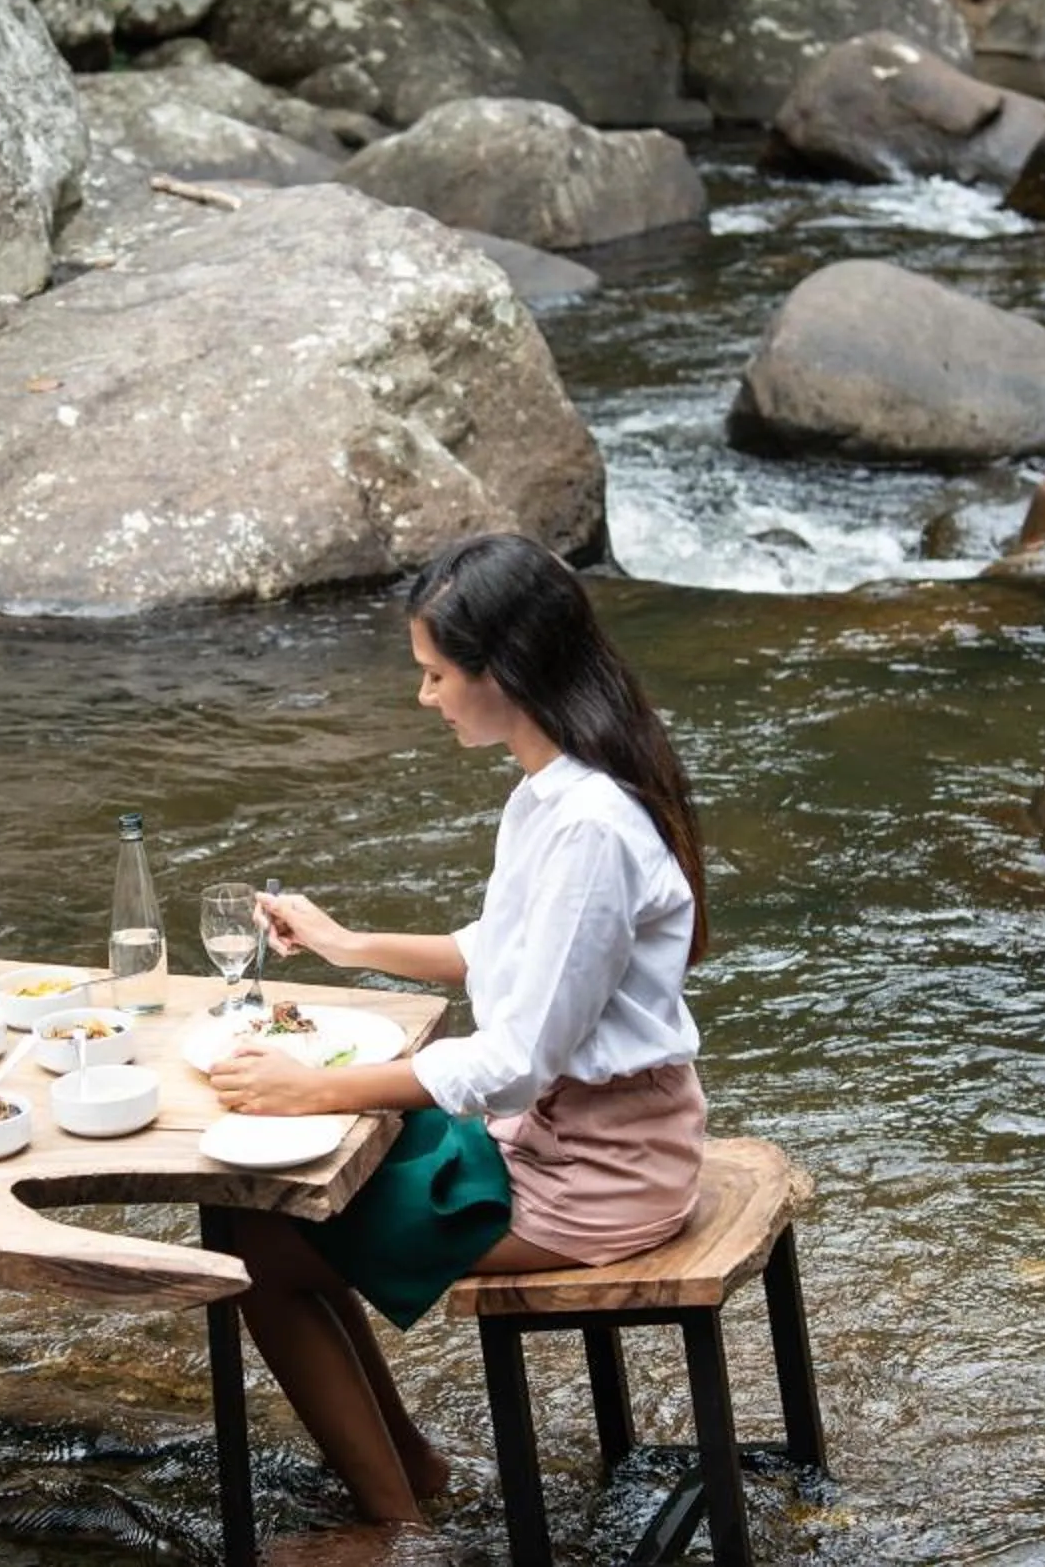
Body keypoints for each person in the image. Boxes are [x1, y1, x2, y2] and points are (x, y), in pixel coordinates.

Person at [207, 531, 710, 1532]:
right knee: (283, 1204)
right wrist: (347, 943)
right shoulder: (553, 791)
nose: (426, 696)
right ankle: (411, 1471)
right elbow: (504, 947)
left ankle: (397, 1528)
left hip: (596, 1173)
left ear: (504, 673)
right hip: (566, 1139)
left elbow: (514, 1061)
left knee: (257, 1236)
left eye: (436, 674)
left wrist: (317, 1087)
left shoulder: (588, 825)